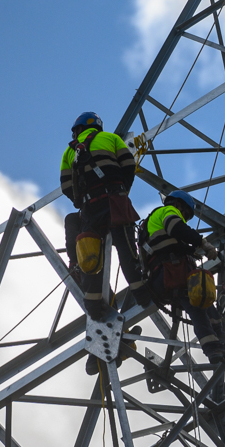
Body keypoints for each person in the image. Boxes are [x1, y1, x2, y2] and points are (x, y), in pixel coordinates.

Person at [61, 111, 151, 319]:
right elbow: (129, 166)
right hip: (114, 201)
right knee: (126, 248)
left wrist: (81, 200)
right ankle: (141, 293)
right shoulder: (111, 139)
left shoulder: (70, 151)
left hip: (89, 209)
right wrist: (121, 189)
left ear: (78, 130)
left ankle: (93, 305)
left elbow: (66, 185)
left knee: (91, 254)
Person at [139, 190, 225, 367]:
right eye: (185, 214)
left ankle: (218, 335)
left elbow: (168, 242)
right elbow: (177, 228)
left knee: (204, 302)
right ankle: (213, 348)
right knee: (197, 305)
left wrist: (190, 251)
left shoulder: (150, 226)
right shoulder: (167, 212)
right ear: (179, 205)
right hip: (171, 270)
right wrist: (203, 244)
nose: (183, 217)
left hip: (161, 277)